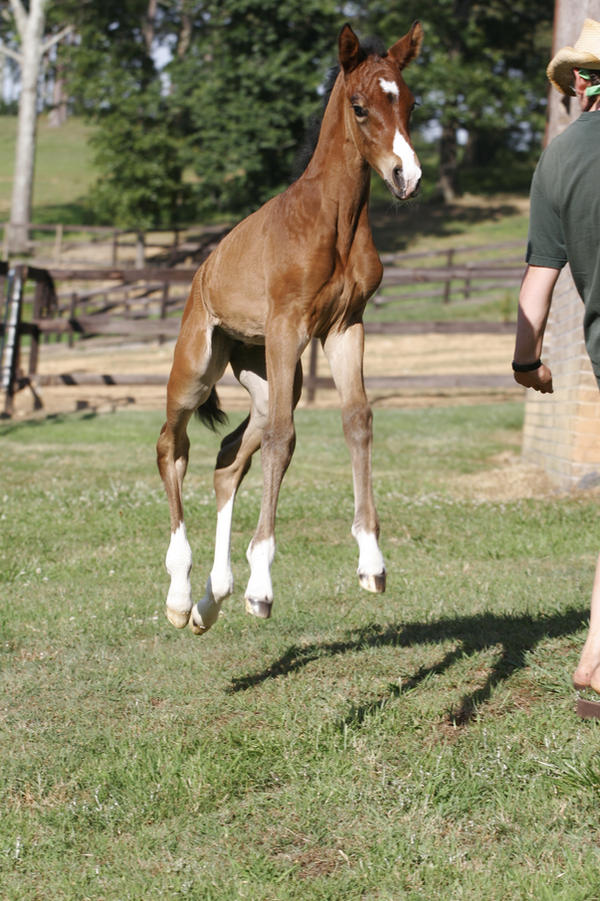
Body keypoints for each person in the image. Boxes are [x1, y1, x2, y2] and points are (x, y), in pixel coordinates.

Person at [512, 18, 600, 694]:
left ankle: (595, 658)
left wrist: (527, 364)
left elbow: (537, 283)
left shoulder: (557, 162)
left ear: (579, 83)